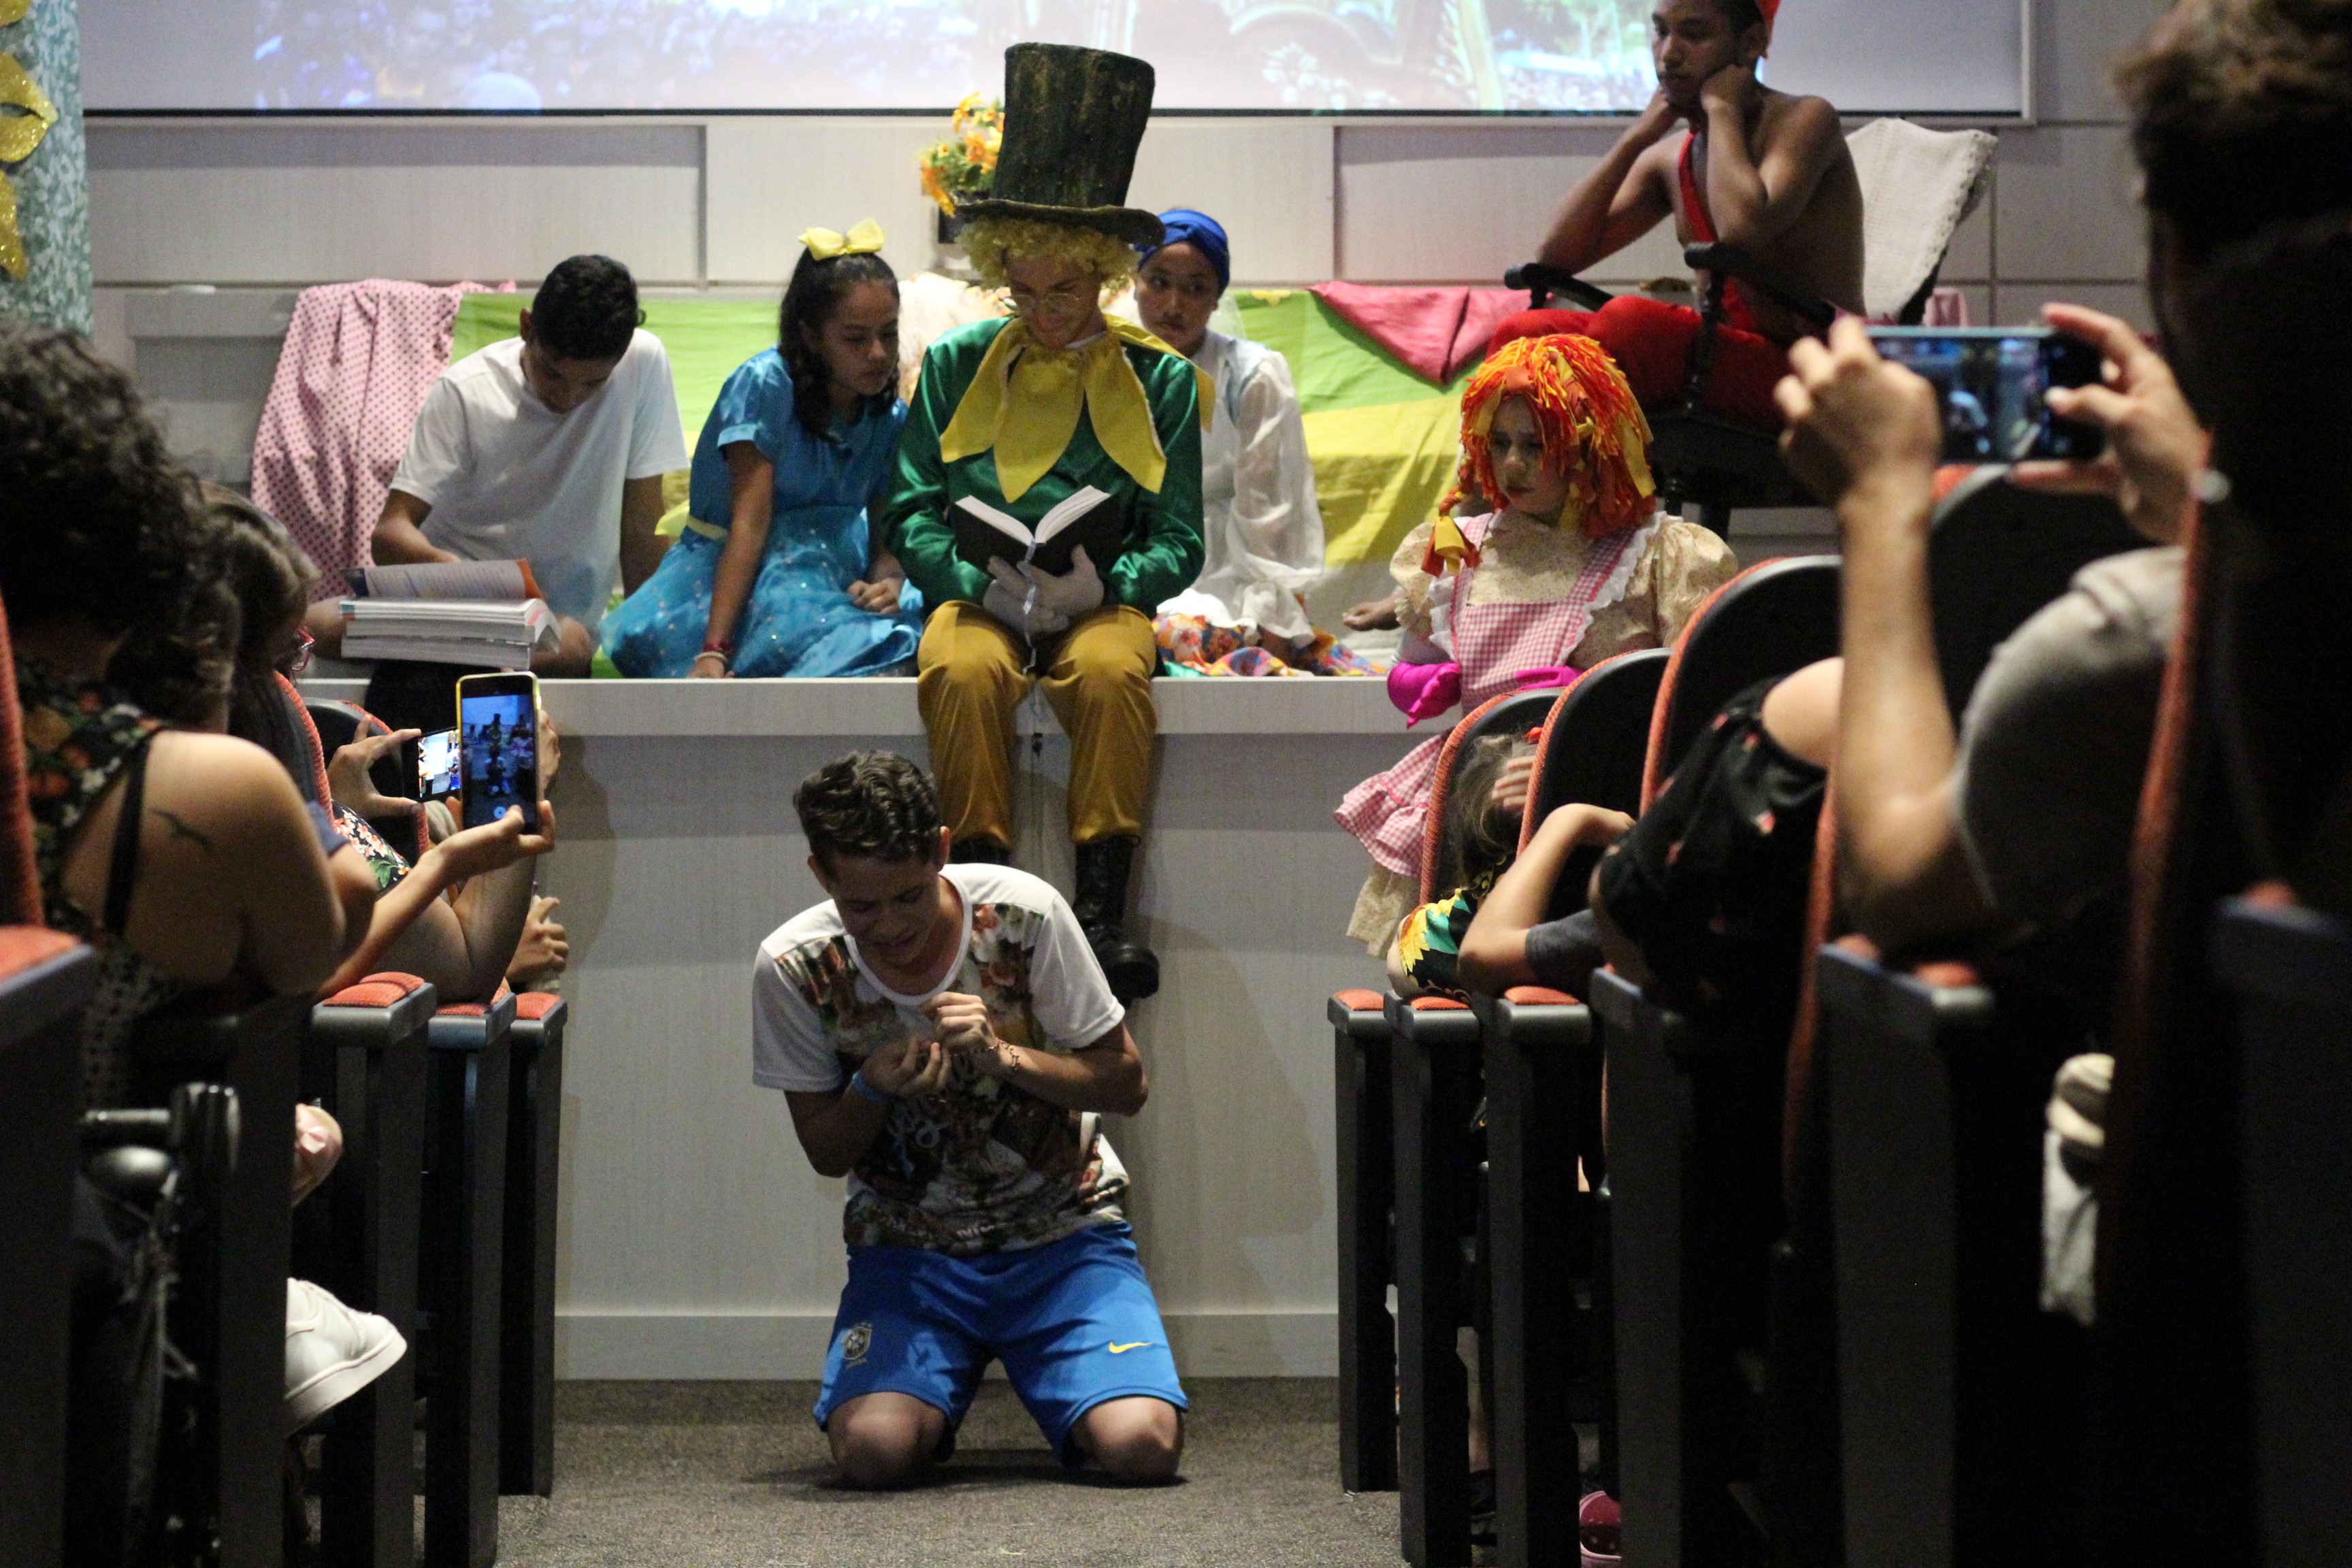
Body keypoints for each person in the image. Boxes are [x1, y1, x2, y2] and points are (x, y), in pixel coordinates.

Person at [753, 752, 1185, 1488]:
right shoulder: (794, 965)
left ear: (942, 851)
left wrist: (1002, 1057)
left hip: (1065, 1236)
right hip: (909, 1253)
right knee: (873, 1453)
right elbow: (826, 1152)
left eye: (909, 897)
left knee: (1142, 1446)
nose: (891, 926)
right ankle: (926, 1393)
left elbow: (1127, 1083)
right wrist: (869, 1090)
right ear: (821, 875)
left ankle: (1069, 1382)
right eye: (863, 908)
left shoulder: (1024, 914)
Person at [887, 44, 1206, 1004]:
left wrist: (1108, 587)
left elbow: (1181, 536)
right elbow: (911, 506)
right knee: (959, 668)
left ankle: (1102, 916)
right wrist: (970, 581)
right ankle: (982, 909)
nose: (1042, 312)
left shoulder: (1160, 380)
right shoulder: (956, 363)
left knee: (1110, 674)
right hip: (980, 597)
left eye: (1062, 292)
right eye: (1020, 292)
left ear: (1103, 276)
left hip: (1099, 601)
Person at [1336, 332, 1736, 953]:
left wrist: (1591, 731)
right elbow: (1412, 669)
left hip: (1603, 808)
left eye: (1535, 445)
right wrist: (1426, 678)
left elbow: (1696, 714)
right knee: (1416, 966)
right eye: (1500, 443)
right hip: (1477, 798)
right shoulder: (1457, 547)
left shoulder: (1661, 554)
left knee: (1556, 963)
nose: (1513, 464)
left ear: (1589, 446)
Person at [202, 489, 560, 1002]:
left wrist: (335, 804)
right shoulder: (257, 798)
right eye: (290, 651)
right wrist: (523, 792)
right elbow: (470, 964)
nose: (292, 680)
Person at [304, 253, 691, 676]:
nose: (568, 396)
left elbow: (642, 526)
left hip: (547, 626)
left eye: (592, 383)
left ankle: (451, 661)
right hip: (448, 608)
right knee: (308, 626)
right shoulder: (465, 390)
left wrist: (655, 651)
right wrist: (453, 574)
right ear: (527, 326)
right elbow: (390, 533)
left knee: (572, 645)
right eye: (553, 374)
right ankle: (465, 660)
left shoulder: (643, 363)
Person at [1495, 0, 1862, 430]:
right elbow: (1554, 257)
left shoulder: (1806, 119)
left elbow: (1741, 230)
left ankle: (1591, 469)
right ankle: (1521, 474)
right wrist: (1636, 138)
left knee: (1628, 325)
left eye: (1695, 34)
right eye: (1661, 31)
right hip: (1724, 357)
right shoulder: (1671, 157)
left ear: (1751, 44)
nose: (1668, 54)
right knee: (1525, 332)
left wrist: (1722, 110)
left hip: (1809, 369)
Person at [602, 222, 924, 678]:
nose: (877, 353)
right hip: (745, 574)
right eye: (856, 338)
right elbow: (749, 525)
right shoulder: (766, 387)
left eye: (888, 334)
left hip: (832, 570)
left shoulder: (889, 416)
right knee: (815, 628)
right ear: (811, 336)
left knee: (919, 628)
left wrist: (888, 581)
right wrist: (714, 650)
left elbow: (883, 542)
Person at [1131, 208, 1341, 672]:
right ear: (1135, 283)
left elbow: (1268, 510)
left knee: (1182, 641)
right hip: (1129, 557)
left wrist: (1269, 610)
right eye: (1159, 282)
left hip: (1226, 564)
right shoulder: (1108, 367)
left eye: (1195, 288)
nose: (1173, 305)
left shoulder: (1251, 375)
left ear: (1216, 298)